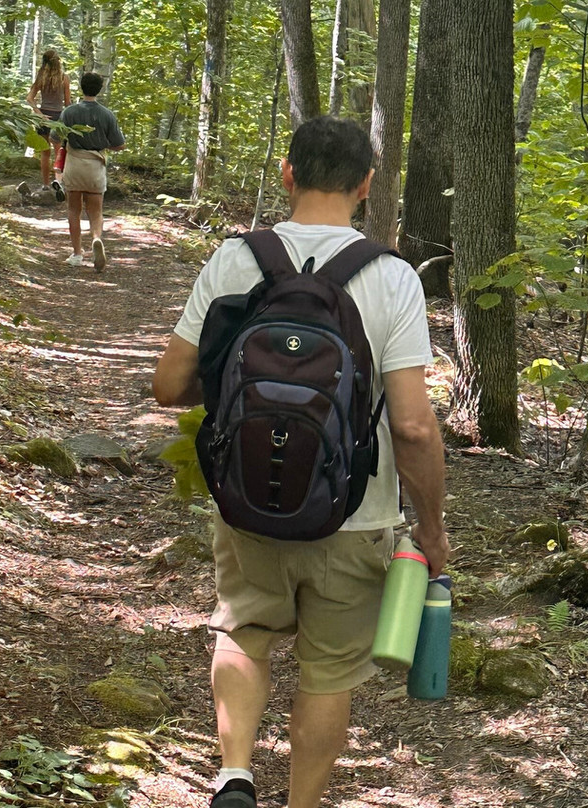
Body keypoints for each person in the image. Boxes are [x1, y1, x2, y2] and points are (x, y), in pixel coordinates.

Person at [152, 115, 449, 808]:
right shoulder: (392, 277)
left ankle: (234, 775)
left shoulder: (236, 259)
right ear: (367, 185)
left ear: (286, 173)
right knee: (328, 676)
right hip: (353, 513)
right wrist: (430, 527)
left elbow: (168, 386)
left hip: (247, 499)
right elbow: (410, 424)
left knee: (242, 631)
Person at [58, 72, 125, 271]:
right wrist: (103, 145)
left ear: (81, 87)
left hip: (74, 163)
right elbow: (119, 145)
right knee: (96, 212)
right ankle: (96, 238)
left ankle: (77, 253)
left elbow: (56, 136)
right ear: (100, 89)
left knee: (73, 210)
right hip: (95, 165)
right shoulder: (107, 114)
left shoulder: (69, 112)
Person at [26, 49, 71, 200]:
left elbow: (29, 98)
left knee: (44, 153)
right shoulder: (64, 78)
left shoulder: (41, 78)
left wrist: (39, 114)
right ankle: (59, 182)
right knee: (59, 151)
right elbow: (68, 102)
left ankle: (45, 185)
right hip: (58, 116)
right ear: (58, 62)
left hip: (43, 117)